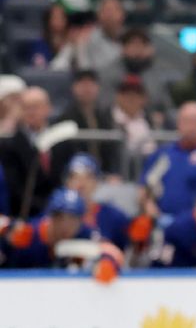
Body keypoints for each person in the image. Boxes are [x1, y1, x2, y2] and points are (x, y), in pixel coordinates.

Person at [139, 101, 196, 222]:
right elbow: (145, 187)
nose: (192, 127)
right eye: (187, 121)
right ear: (179, 124)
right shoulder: (163, 155)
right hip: (163, 223)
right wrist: (151, 209)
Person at [0, 86, 78, 218]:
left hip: (64, 211)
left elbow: (68, 178)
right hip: (26, 214)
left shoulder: (63, 141)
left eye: (35, 107)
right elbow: (16, 189)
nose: (31, 112)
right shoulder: (9, 145)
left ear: (48, 108)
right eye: (26, 107)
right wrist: (47, 208)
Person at [59, 69, 121, 176]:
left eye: (91, 84)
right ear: (74, 87)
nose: (87, 89)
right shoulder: (65, 118)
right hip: (75, 174)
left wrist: (112, 173)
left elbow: (111, 151)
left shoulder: (105, 116)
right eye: (82, 84)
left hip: (103, 175)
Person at [64, 153, 131, 250]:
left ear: (97, 182)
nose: (81, 183)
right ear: (67, 182)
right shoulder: (56, 215)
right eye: (75, 177)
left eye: (88, 177)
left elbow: (127, 252)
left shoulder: (114, 216)